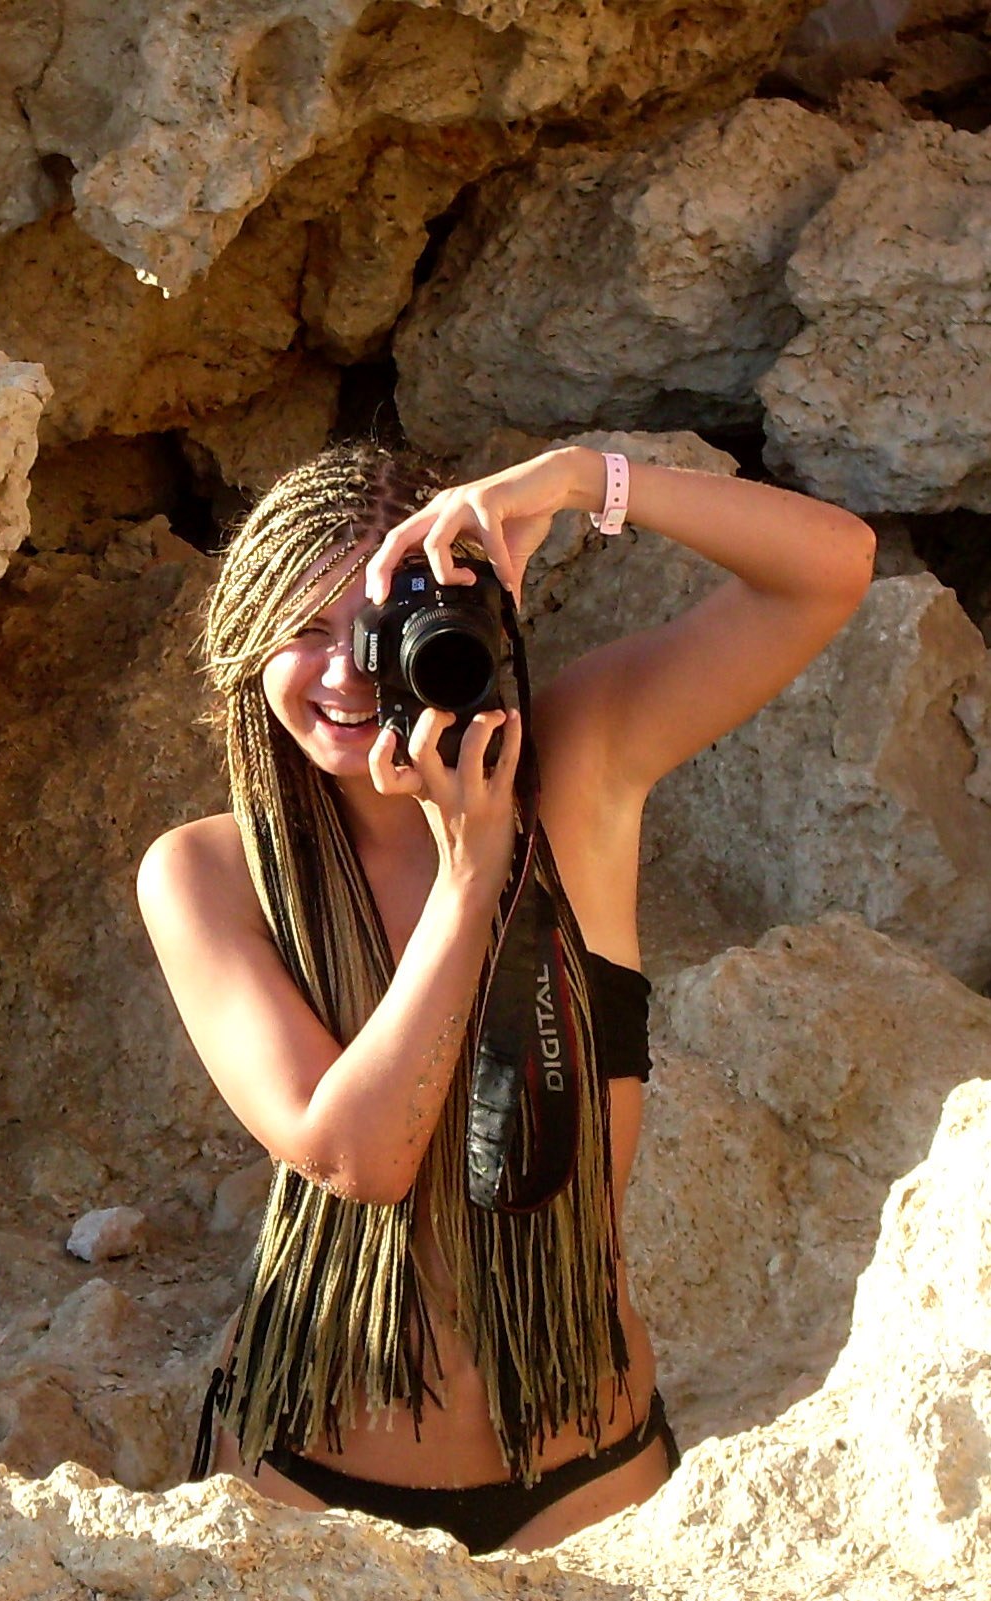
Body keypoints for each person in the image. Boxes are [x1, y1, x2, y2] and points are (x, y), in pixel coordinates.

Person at [136, 440, 875, 1555]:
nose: (346, 671)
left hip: (590, 1478)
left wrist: (578, 479)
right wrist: (472, 870)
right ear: (245, 638)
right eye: (303, 628)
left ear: (469, 619)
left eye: (380, 622)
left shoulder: (580, 768)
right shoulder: (209, 873)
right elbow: (358, 1156)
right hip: (313, 1487)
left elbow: (831, 568)